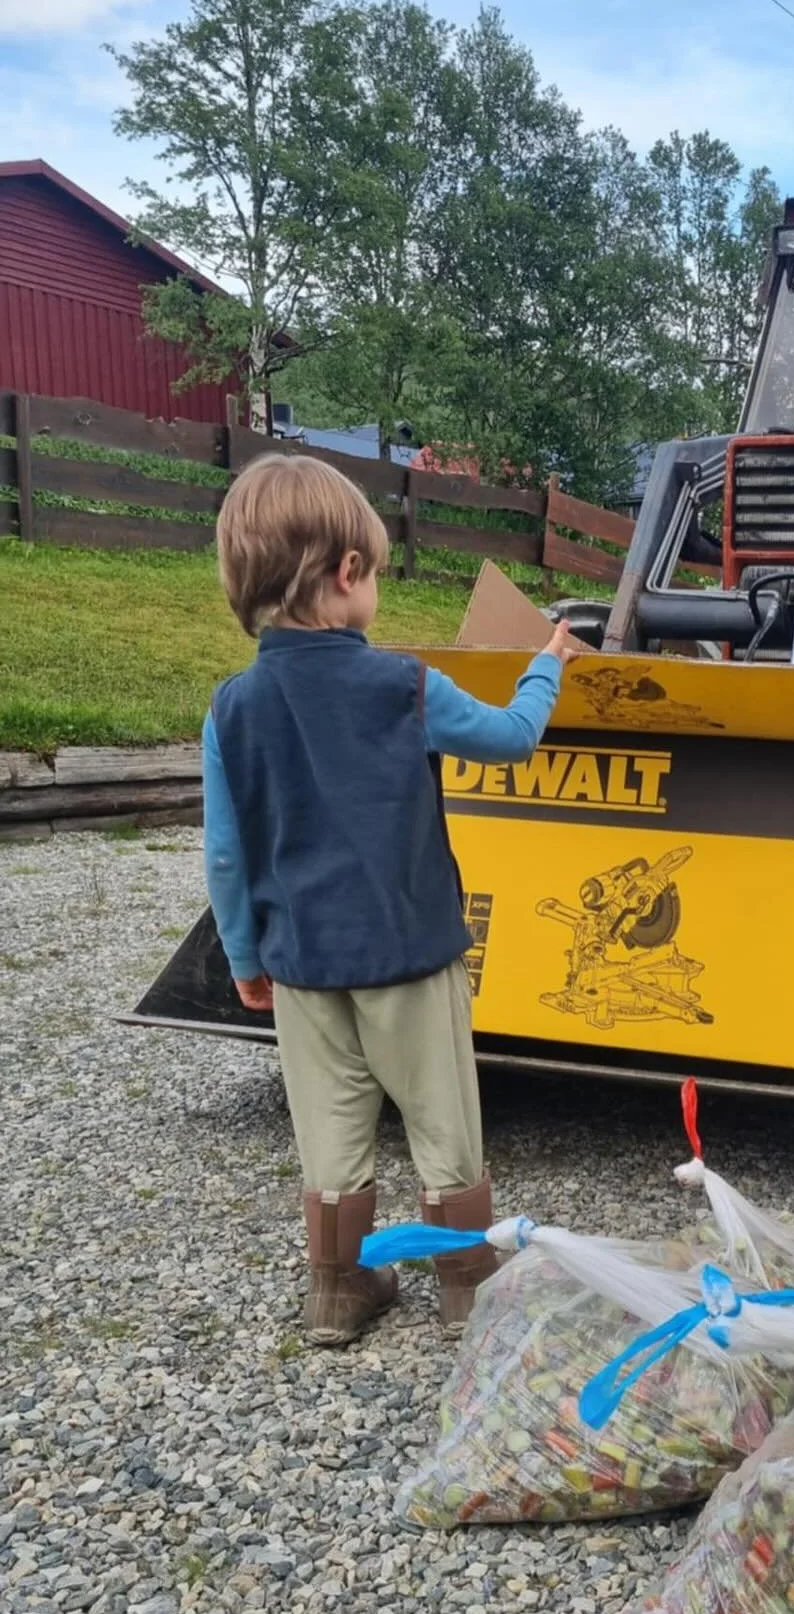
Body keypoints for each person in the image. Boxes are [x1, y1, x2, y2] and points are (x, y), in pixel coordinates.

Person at [203, 452, 577, 1347]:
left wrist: (248, 959)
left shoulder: (232, 708)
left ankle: (338, 1289)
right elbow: (511, 739)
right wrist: (547, 664)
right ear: (346, 574)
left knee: (331, 1133)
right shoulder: (406, 686)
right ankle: (465, 1287)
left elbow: (226, 854)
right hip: (411, 953)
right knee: (443, 1121)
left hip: (302, 966)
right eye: (373, 574)